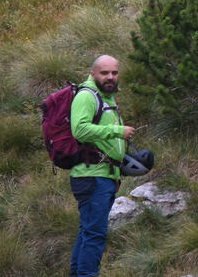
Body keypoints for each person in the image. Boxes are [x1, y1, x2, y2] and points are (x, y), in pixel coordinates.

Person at [69, 54, 135, 277]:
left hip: (103, 176)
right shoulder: (87, 97)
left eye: (114, 73)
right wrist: (118, 131)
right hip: (92, 176)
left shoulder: (107, 98)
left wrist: (119, 170)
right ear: (93, 74)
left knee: (88, 231)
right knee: (95, 234)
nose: (110, 77)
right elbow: (80, 130)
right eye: (105, 73)